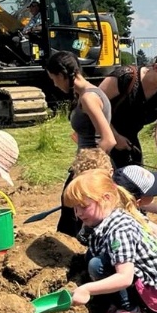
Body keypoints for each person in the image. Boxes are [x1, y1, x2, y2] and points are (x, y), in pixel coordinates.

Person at [64, 169, 157, 313]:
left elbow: (125, 278)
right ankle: (118, 302)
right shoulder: (104, 219)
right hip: (141, 282)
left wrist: (86, 289)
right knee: (91, 256)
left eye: (84, 206)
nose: (78, 213)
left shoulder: (120, 230)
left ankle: (131, 311)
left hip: (154, 292)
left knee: (96, 264)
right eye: (75, 208)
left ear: (106, 199)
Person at [45, 50, 117, 237]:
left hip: (89, 167)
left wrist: (90, 170)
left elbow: (108, 139)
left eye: (54, 79)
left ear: (62, 75)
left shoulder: (88, 97)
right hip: (86, 164)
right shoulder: (90, 93)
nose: (54, 84)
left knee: (74, 210)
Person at [99, 44, 157, 169]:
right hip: (99, 133)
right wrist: (114, 136)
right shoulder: (126, 77)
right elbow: (93, 105)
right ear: (156, 67)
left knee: (134, 181)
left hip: (128, 141)